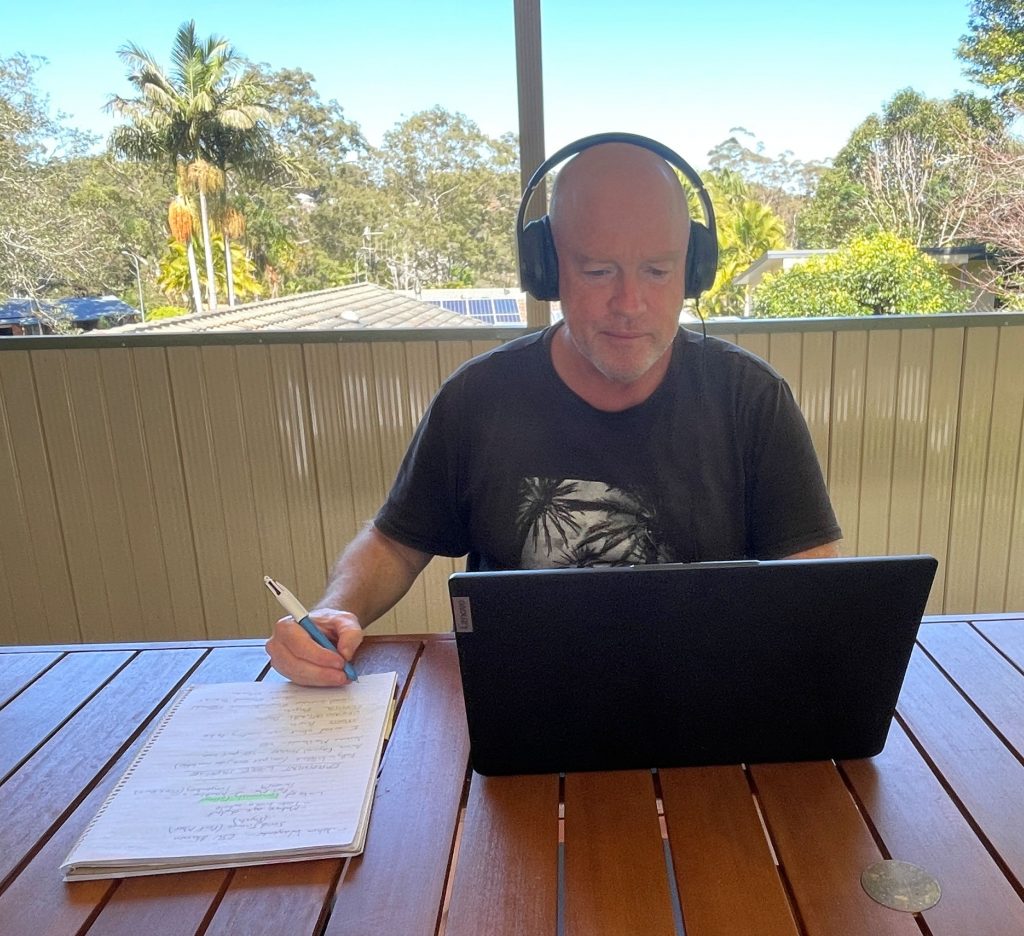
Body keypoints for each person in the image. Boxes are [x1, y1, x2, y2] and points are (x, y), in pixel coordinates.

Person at [267, 141, 842, 685]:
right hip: (520, 703)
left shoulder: (751, 400)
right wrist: (335, 611)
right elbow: (396, 543)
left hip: (705, 704)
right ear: (547, 269)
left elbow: (814, 581)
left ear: (693, 270)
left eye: (658, 270)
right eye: (597, 271)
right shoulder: (478, 398)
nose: (630, 304)